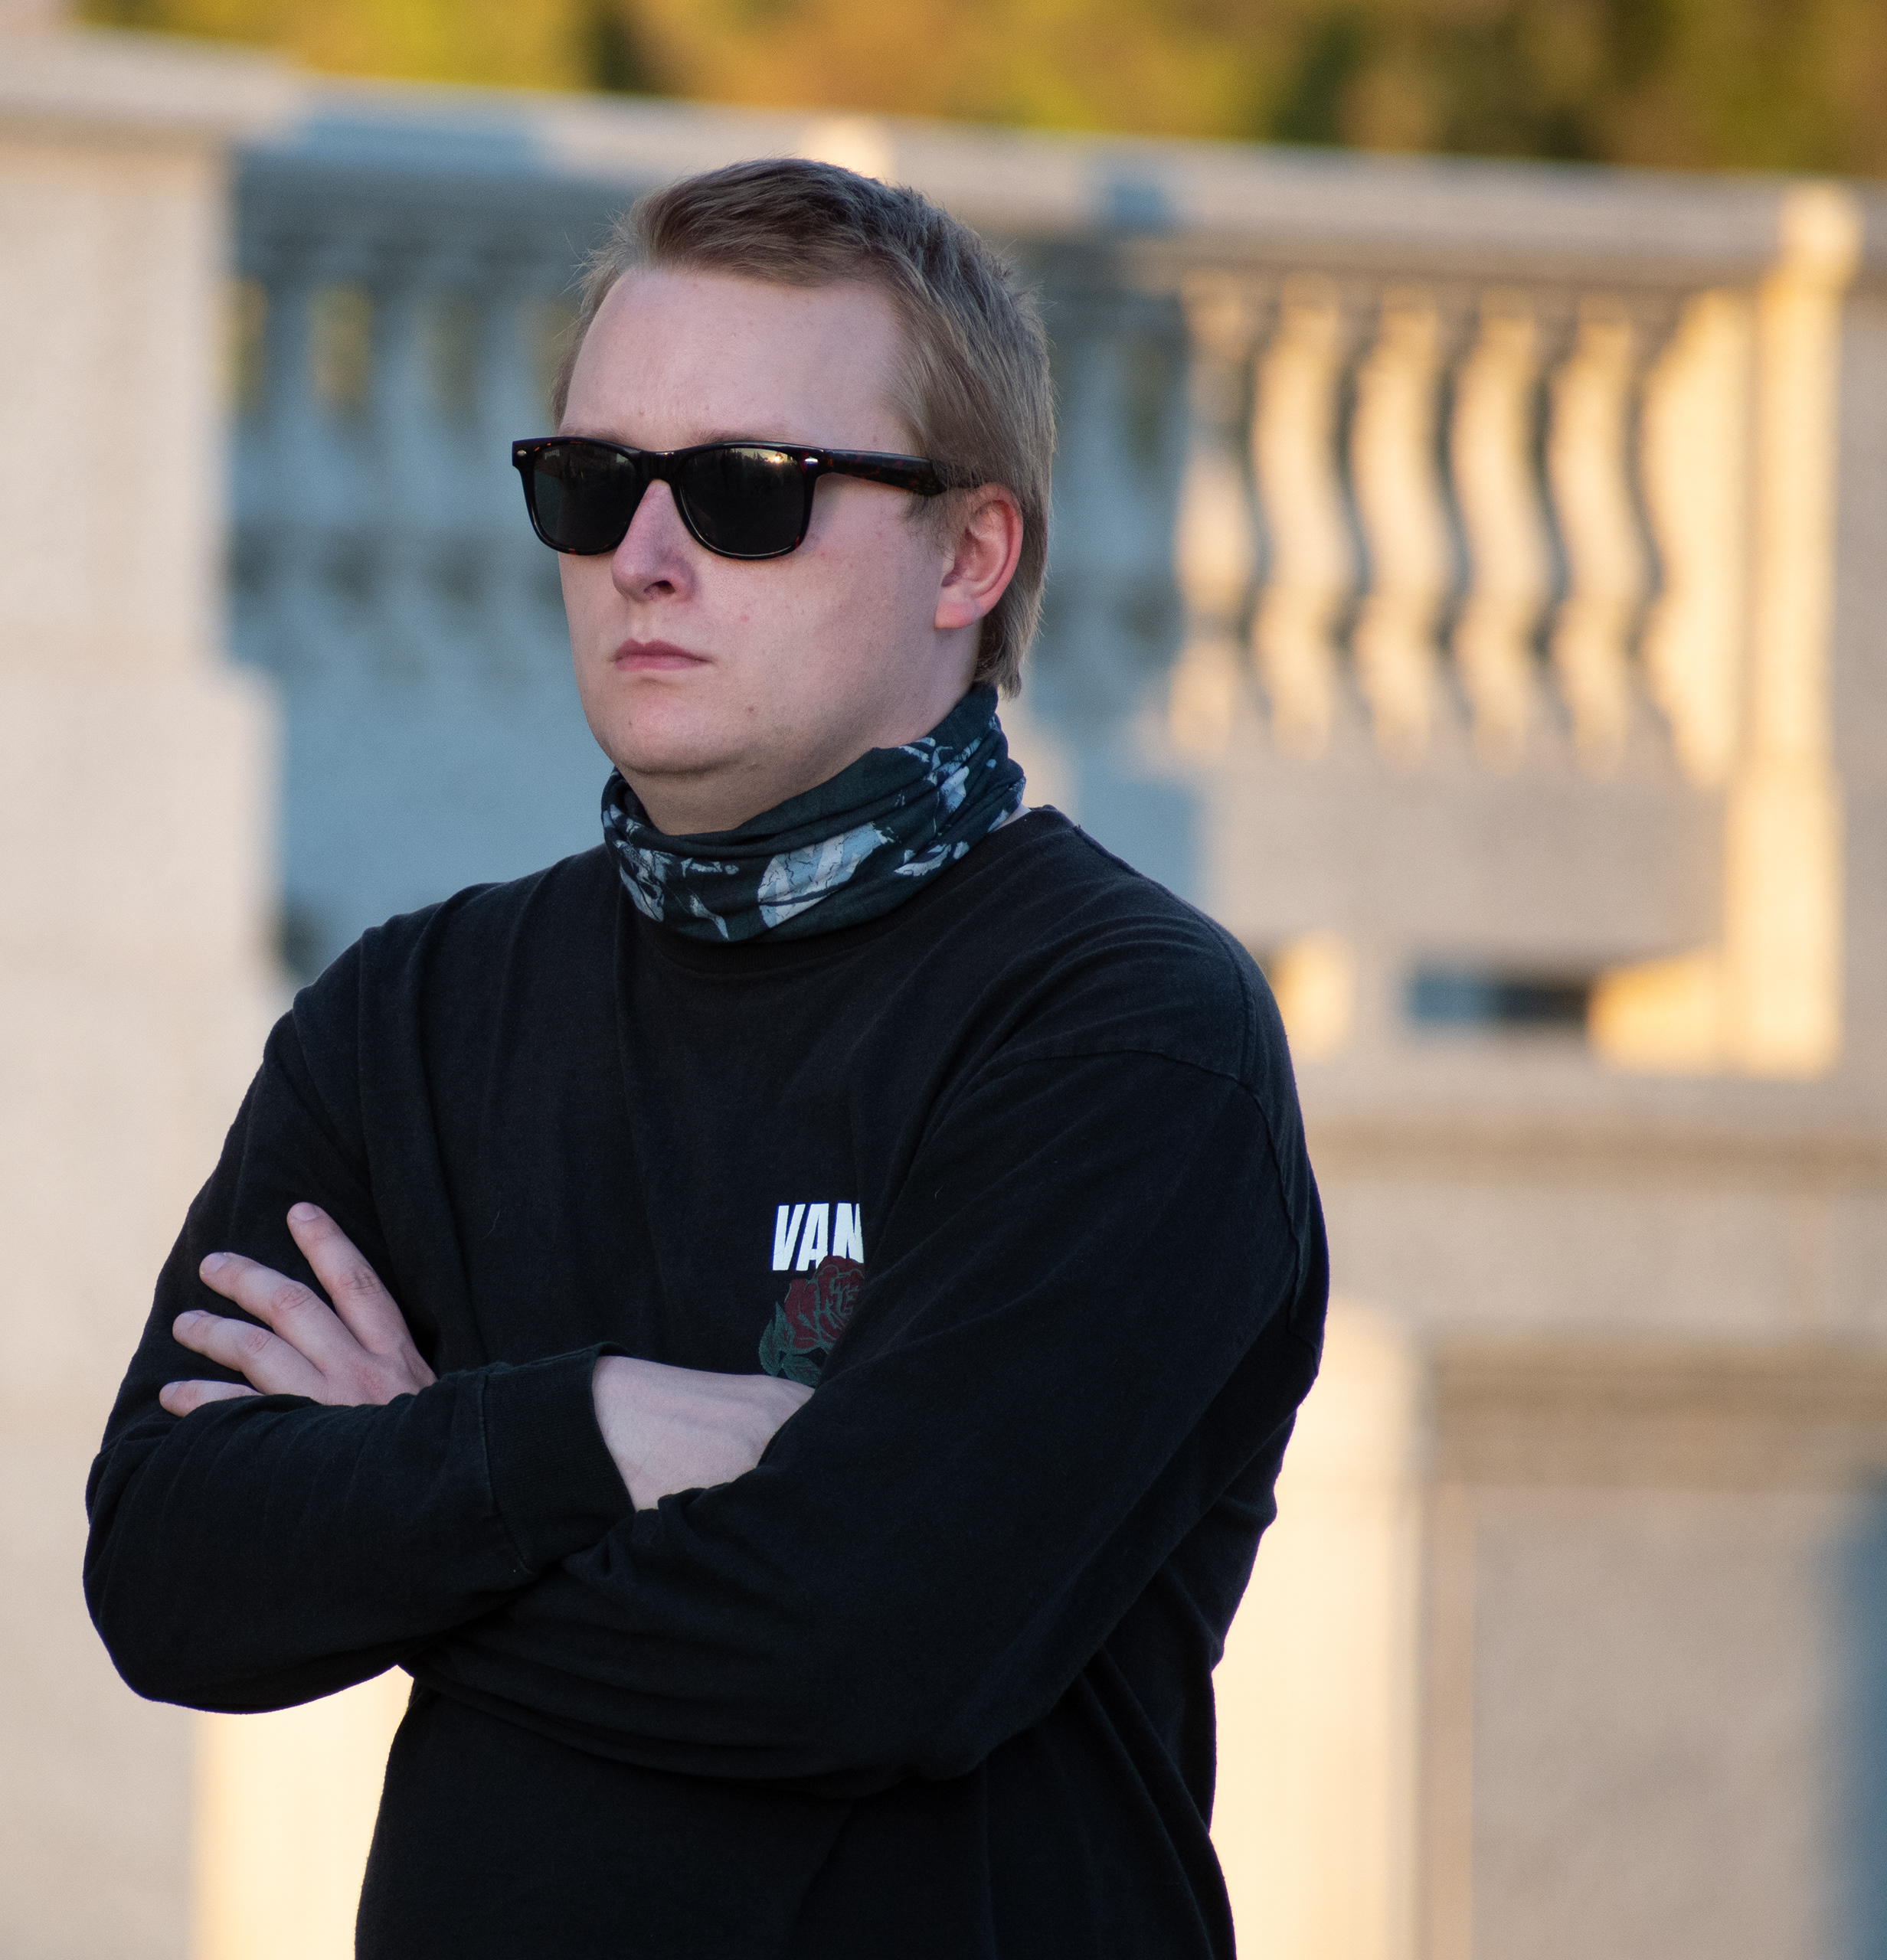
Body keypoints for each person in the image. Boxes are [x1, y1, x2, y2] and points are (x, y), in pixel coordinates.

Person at [84, 156, 1326, 1958]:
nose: (644, 558)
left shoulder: (1127, 1030)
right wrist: (580, 1429)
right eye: (592, 485)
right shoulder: (416, 1011)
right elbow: (173, 1569)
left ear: (971, 552)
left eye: (750, 492)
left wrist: (413, 1481)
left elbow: (863, 1650)